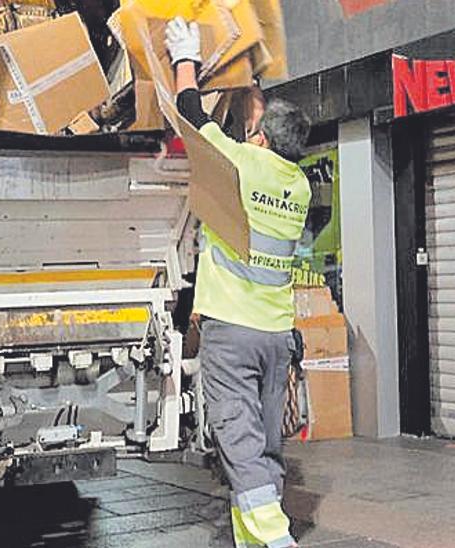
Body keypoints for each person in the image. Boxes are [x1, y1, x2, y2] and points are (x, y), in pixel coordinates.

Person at [165, 17, 313, 548]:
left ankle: (275, 538)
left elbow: (190, 114)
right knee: (267, 445)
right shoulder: (296, 187)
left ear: (262, 138)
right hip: (275, 335)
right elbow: (255, 130)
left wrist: (185, 57)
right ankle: (252, 542)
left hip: (232, 334)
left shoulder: (242, 164)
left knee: (240, 441)